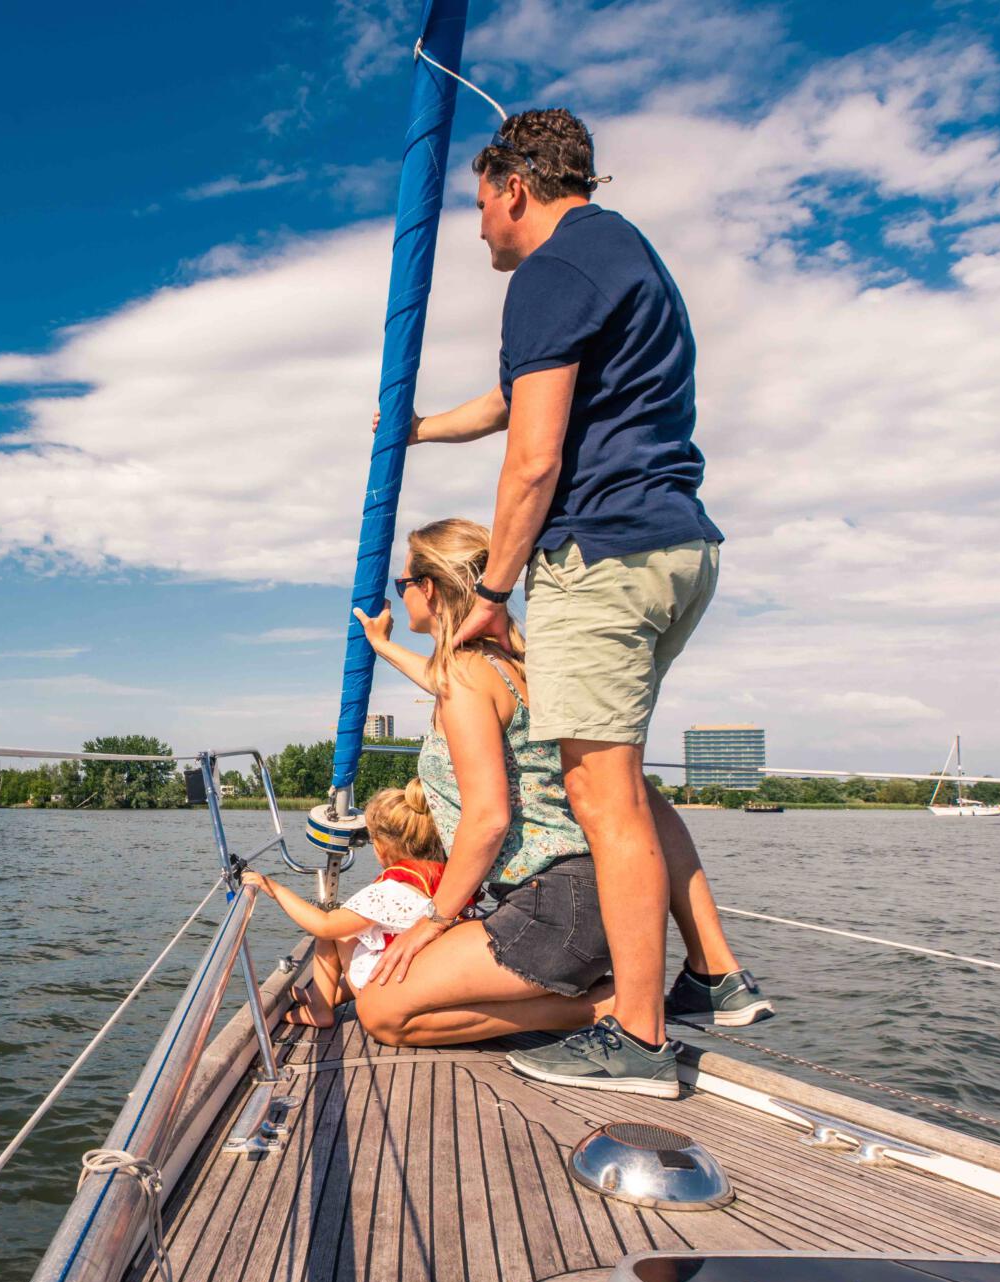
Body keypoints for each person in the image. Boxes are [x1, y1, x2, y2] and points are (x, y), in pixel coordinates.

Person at [380, 107, 733, 1094]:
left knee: (600, 797)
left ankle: (638, 1036)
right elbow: (508, 404)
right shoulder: (618, 255)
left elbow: (532, 457)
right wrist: (415, 432)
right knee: (617, 781)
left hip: (603, 551)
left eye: (481, 205)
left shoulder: (546, 273)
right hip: (676, 545)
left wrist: (494, 590)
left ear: (514, 187)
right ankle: (710, 974)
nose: (480, 227)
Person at [355, 520, 770, 1055]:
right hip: (596, 904)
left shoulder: (463, 676)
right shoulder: (516, 666)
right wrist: (382, 647)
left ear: (429, 588)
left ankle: (611, 1006)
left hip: (555, 911)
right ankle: (621, 996)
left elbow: (488, 818)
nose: (401, 593)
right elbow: (449, 687)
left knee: (382, 1011)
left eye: (402, 583)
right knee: (397, 996)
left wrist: (433, 920)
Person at [239, 781, 446, 1029]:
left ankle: (320, 1009)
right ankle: (328, 995)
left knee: (334, 929)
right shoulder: (447, 879)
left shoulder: (392, 891)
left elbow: (324, 926)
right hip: (422, 983)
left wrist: (271, 887)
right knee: (362, 936)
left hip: (388, 993)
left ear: (380, 846)